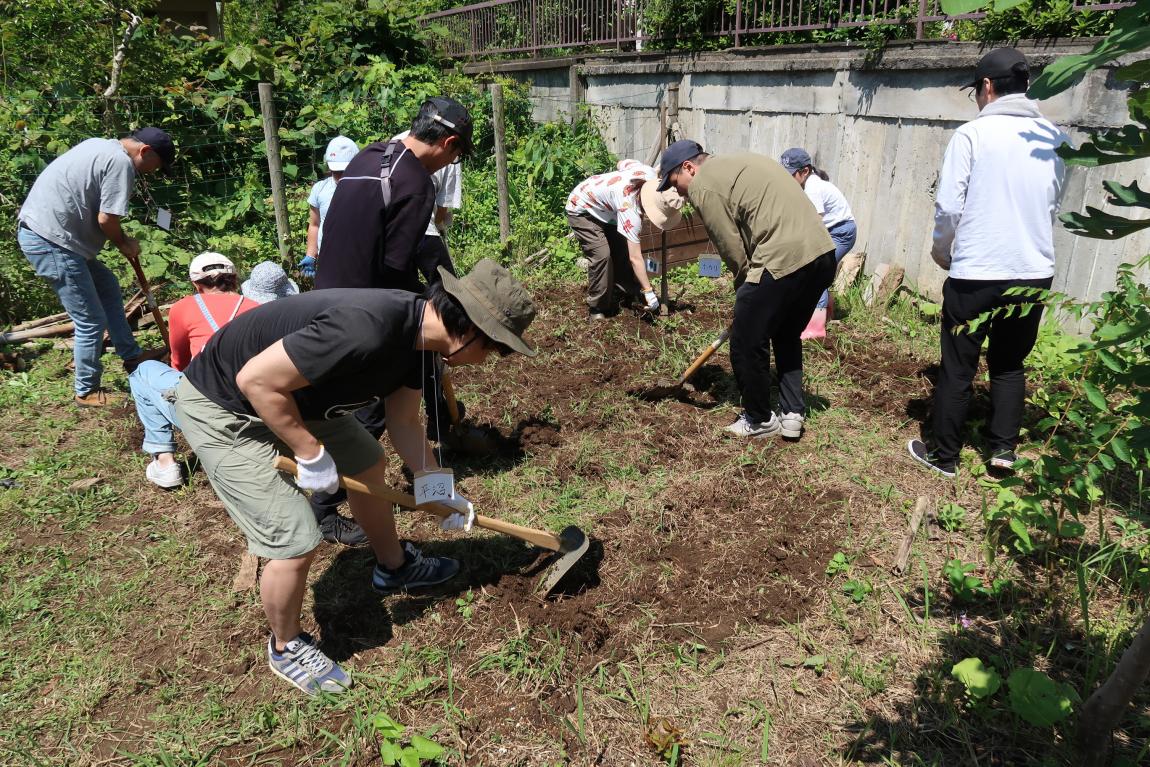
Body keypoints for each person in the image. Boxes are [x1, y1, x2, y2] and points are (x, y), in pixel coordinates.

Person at [172, 258, 536, 696]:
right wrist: (310, 453)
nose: (491, 359)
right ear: (472, 331)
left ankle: (394, 567)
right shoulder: (368, 328)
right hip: (227, 406)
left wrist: (439, 489)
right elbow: (256, 381)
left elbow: (403, 422)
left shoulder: (424, 344)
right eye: (496, 348)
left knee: (366, 460)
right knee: (293, 539)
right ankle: (285, 645)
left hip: (295, 396)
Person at [308, 97, 474, 528]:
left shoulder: (370, 155)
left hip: (325, 298)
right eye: (455, 156)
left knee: (377, 411)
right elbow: (396, 269)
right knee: (379, 411)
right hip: (365, 315)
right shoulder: (416, 183)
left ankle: (437, 494)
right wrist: (431, 316)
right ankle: (326, 508)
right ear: (449, 143)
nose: (449, 164)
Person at [908, 48, 1069, 478]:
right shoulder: (1055, 137)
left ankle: (945, 457)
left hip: (976, 273)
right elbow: (1053, 203)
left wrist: (944, 253)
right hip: (1033, 271)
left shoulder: (972, 136)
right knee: (1010, 364)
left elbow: (948, 209)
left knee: (959, 366)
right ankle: (1002, 453)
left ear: (987, 87)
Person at [659, 139, 836, 440]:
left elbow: (731, 248)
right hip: (821, 255)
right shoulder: (740, 162)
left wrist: (745, 298)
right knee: (785, 333)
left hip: (783, 257)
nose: (679, 193)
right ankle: (792, 414)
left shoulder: (704, 184)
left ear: (689, 168)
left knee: (745, 339)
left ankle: (759, 418)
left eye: (676, 184)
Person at [17, 127, 176, 406]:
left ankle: (132, 356)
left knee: (108, 287)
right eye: (156, 166)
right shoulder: (120, 163)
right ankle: (86, 390)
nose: (152, 172)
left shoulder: (100, 145)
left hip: (59, 238)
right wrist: (124, 242)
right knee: (90, 320)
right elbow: (106, 219)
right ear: (145, 152)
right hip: (52, 240)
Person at [129, 252, 260, 488]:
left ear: (196, 283)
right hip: (252, 407)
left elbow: (179, 361)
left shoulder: (184, 307)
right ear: (235, 278)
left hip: (206, 410)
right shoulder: (256, 307)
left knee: (143, 371)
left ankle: (164, 462)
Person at [565, 159, 682, 320]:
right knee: (602, 255)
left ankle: (625, 292)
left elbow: (622, 163)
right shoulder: (630, 209)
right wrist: (648, 291)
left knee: (621, 250)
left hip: (608, 210)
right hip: (582, 207)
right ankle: (597, 307)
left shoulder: (648, 173)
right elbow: (636, 258)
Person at [779, 147, 857, 340]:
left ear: (804, 171)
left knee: (816, 273)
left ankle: (815, 328)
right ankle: (827, 309)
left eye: (791, 175)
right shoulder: (805, 185)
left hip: (840, 232)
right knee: (820, 270)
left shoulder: (813, 187)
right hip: (832, 230)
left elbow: (813, 221)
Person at [298, 135, 358, 279]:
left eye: (344, 171)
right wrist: (311, 255)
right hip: (328, 258)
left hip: (357, 258)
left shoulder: (366, 188)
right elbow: (314, 224)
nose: (339, 175)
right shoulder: (320, 189)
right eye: (335, 171)